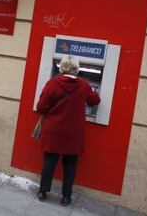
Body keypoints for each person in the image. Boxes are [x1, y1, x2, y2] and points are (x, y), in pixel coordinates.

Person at [36, 55, 100, 206]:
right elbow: (94, 101)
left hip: (54, 130)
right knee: (70, 164)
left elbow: (41, 107)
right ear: (77, 69)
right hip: (73, 132)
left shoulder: (52, 83)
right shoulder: (84, 84)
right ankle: (66, 197)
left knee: (49, 162)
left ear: (61, 67)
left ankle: (43, 192)